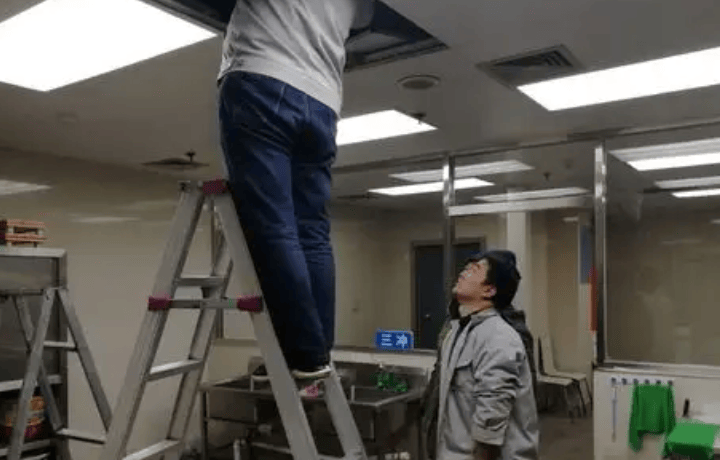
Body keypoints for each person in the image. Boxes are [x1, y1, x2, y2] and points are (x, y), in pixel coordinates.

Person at [217, 0, 373, 381]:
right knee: (313, 234)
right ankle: (315, 351)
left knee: (273, 227)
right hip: (323, 101)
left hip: (262, 73)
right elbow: (365, 18)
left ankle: (304, 352)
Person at [432, 250, 539, 460]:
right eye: (466, 268)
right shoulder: (458, 330)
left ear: (489, 290)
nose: (463, 273)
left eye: (474, 270)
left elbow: (491, 422)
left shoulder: (498, 336)